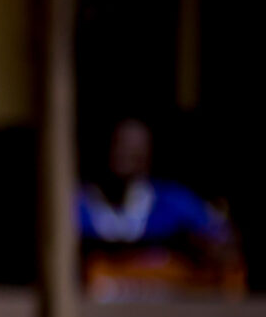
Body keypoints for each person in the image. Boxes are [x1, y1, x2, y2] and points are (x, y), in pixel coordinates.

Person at [78, 117, 244, 299]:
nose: (122, 154)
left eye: (133, 149)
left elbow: (223, 243)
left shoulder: (173, 203)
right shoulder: (79, 205)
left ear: (147, 155)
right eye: (118, 145)